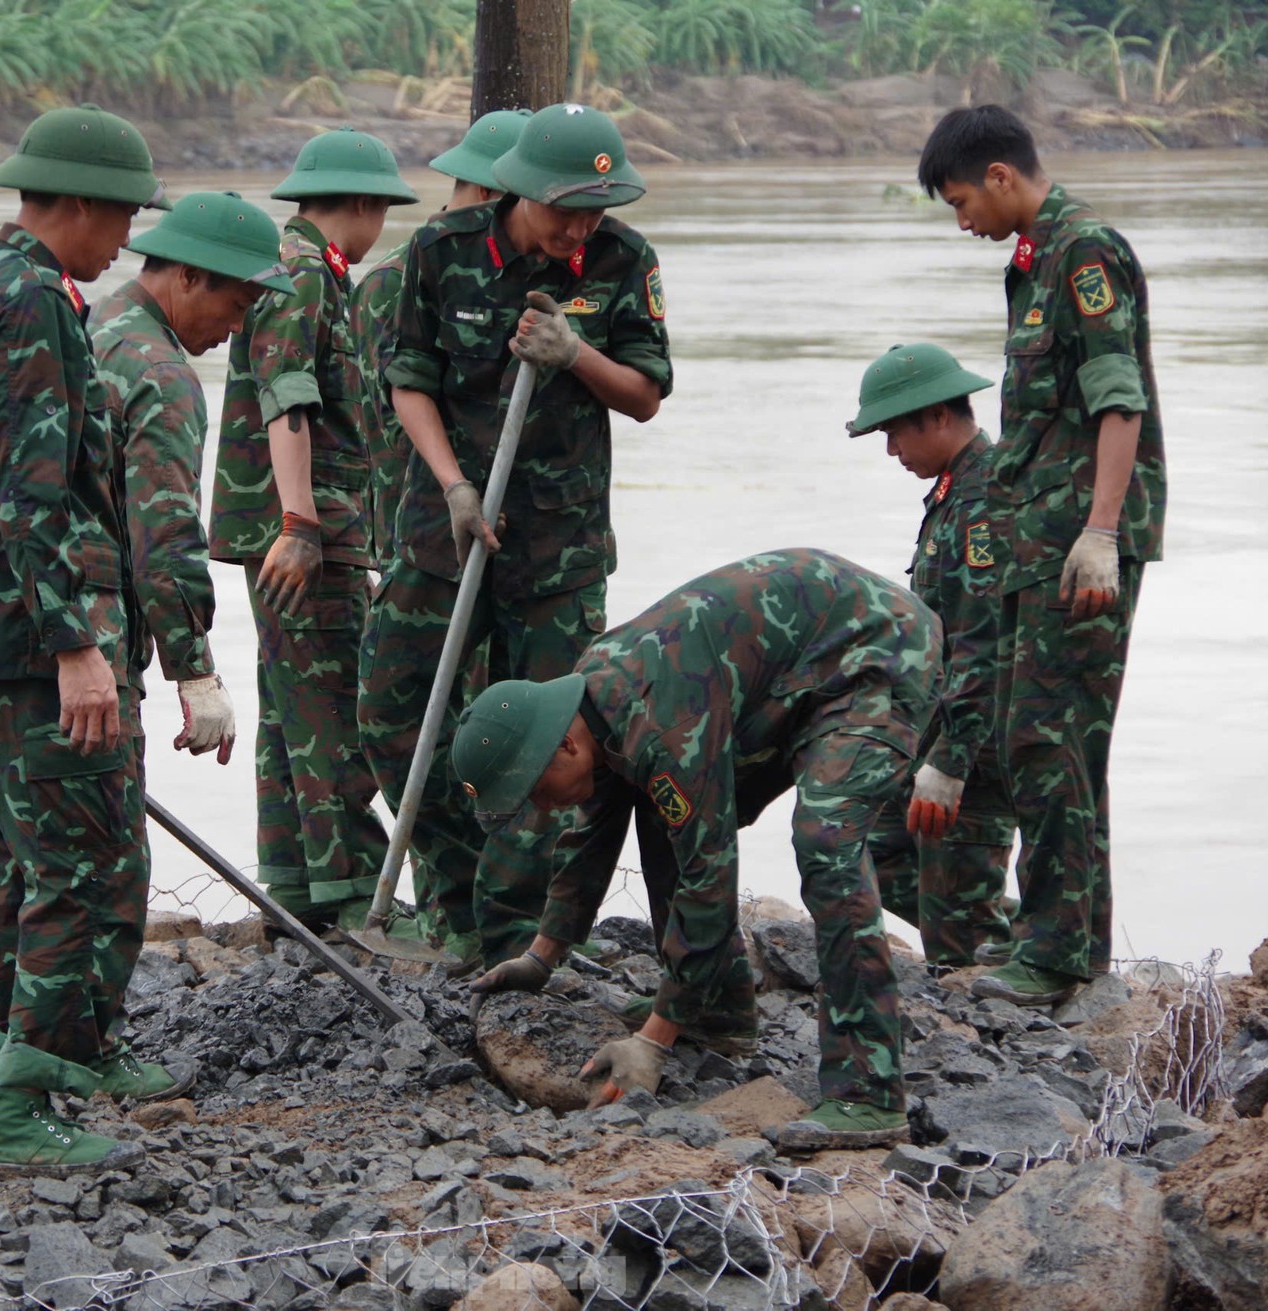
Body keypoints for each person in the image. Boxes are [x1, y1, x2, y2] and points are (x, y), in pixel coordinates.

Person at [0, 105, 185, 1178]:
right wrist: (76, 643)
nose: (124, 243)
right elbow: (31, 492)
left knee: (7, 858)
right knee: (76, 863)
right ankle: (24, 1107)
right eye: (118, 218)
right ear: (71, 203)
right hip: (30, 639)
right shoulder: (30, 303)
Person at [458, 550, 941, 1149]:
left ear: (563, 750)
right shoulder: (592, 704)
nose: (541, 810)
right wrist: (541, 955)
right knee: (666, 814)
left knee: (827, 844)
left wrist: (653, 1041)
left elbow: (710, 872)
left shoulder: (660, 725)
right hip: (798, 669)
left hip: (875, 650)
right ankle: (717, 1012)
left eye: (533, 793)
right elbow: (591, 833)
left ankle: (869, 1092)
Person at [360, 104, 672, 965]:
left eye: (597, 209)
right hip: (445, 531)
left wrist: (575, 354)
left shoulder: (623, 260)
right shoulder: (442, 250)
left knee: (555, 742)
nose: (581, 226)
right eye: (565, 207)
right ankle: (455, 902)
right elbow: (411, 381)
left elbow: (645, 393)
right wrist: (454, 484)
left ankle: (514, 929)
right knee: (394, 712)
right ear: (519, 190)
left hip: (557, 548)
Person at [916, 105, 1167, 1005]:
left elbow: (1118, 399)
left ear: (999, 175)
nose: (962, 223)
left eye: (958, 201)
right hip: (1040, 544)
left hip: (1078, 547)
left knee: (1045, 739)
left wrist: (1102, 532)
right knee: (1047, 742)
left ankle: (1057, 952)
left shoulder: (1083, 254)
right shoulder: (1033, 261)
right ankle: (1068, 944)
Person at [84, 193, 293, 1048]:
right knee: (103, 855)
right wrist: (196, 673)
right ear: (189, 276)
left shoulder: (89, 327)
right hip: (91, 645)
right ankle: (75, 1051)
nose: (236, 329)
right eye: (237, 304)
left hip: (21, 625)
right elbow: (164, 539)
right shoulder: (160, 374)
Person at [206, 131, 417, 933]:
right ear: (362, 206)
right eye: (379, 214)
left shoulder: (301, 271)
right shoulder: (303, 277)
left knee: (293, 710)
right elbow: (288, 394)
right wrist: (301, 523)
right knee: (336, 707)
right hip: (303, 530)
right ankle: (352, 893)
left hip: (303, 528)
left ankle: (293, 887)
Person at [847, 344, 1016, 968]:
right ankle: (1020, 939)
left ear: (938, 416)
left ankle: (1020, 985)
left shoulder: (983, 503)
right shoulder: (953, 491)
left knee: (958, 946)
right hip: (938, 729)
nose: (892, 451)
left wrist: (949, 763)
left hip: (975, 746)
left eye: (894, 432)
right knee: (871, 845)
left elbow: (984, 644)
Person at [351, 108, 529, 572]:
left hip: (503, 534)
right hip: (422, 536)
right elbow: (390, 427)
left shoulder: (517, 276)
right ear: (491, 193)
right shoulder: (398, 280)